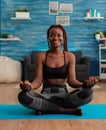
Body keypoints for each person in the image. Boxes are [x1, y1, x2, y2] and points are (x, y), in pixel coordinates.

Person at [18, 24, 98, 116]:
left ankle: (45, 108)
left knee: (89, 92)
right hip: (44, 96)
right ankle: (66, 110)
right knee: (23, 96)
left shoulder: (70, 56)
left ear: (63, 38)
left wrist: (85, 84)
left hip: (64, 97)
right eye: (52, 35)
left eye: (59, 35)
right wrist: (29, 87)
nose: (55, 38)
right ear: (48, 38)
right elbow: (38, 80)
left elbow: (72, 81)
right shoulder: (41, 56)